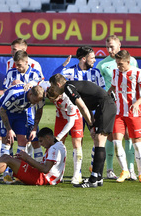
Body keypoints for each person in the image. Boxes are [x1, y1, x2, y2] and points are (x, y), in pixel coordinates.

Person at [49, 74, 116, 188]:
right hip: (105, 106)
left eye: (53, 87)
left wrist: (91, 125)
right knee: (98, 142)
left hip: (105, 106)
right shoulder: (73, 86)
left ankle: (93, 179)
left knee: (100, 141)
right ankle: (98, 178)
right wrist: (92, 125)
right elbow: (87, 106)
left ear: (58, 84)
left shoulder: (68, 87)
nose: (53, 90)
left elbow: (82, 108)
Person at [0, 38, 44, 163]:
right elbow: (6, 92)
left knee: (34, 139)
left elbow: (40, 89)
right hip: (12, 109)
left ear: (27, 62)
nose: (17, 67)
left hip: (29, 112)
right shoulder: (11, 72)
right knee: (7, 139)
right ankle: (6, 170)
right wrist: (14, 87)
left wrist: (29, 84)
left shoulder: (35, 72)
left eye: (19, 65)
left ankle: (34, 168)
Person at [0, 127, 67, 186]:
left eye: (41, 141)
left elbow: (45, 169)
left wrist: (28, 158)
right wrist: (26, 159)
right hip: (45, 177)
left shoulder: (54, 148)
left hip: (43, 179)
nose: (41, 144)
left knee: (7, 159)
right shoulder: (59, 145)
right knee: (8, 157)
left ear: (48, 138)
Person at [97, 35, 139, 180]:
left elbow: (138, 83)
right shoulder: (102, 64)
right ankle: (109, 169)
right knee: (110, 135)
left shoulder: (132, 61)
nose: (109, 49)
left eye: (112, 46)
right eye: (107, 47)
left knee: (129, 135)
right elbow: (100, 86)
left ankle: (131, 169)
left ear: (119, 45)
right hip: (111, 104)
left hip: (129, 103)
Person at [59, 46, 105, 176]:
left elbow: (103, 92)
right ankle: (76, 172)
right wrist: (63, 65)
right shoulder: (69, 72)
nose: (94, 60)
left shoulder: (96, 73)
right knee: (77, 141)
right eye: (92, 58)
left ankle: (93, 167)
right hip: (75, 112)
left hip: (93, 111)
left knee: (97, 138)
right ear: (83, 59)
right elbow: (54, 79)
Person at [108, 50, 141, 184]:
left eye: (121, 64)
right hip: (119, 113)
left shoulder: (138, 72)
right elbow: (112, 89)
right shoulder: (115, 72)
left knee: (137, 145)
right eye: (117, 64)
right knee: (116, 142)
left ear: (128, 61)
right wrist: (105, 98)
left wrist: (138, 102)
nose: (119, 66)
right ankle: (125, 170)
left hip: (133, 113)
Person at [46, 85, 83, 185]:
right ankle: (57, 174)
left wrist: (58, 136)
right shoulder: (48, 89)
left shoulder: (70, 101)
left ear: (60, 95)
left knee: (76, 144)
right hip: (60, 117)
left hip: (74, 117)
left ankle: (77, 174)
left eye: (54, 99)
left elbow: (70, 122)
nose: (51, 101)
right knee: (57, 145)